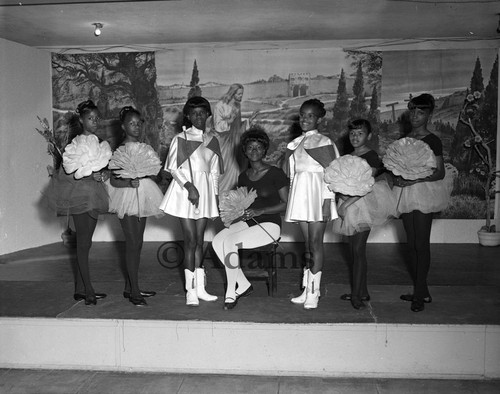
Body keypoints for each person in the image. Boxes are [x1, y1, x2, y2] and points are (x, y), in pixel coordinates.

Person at [212, 126, 289, 310]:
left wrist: (261, 211)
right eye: (250, 148)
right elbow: (244, 203)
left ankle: (231, 291)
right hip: (249, 223)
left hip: (270, 226)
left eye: (258, 147)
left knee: (231, 242)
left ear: (265, 150)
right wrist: (238, 211)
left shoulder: (276, 173)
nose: (254, 151)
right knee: (217, 241)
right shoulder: (243, 176)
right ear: (244, 151)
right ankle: (244, 284)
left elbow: (286, 204)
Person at [159, 96, 223, 306]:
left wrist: (213, 198)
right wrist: (189, 187)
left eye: (202, 113)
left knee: (200, 241)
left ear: (208, 115)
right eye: (194, 113)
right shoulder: (181, 138)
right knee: (190, 240)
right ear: (188, 115)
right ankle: (190, 291)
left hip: (204, 193)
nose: (199, 117)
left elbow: (214, 173)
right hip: (185, 192)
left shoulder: (212, 141)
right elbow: (173, 169)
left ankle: (201, 287)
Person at [45, 100, 110, 305]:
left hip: (95, 193)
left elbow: (104, 168)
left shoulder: (99, 142)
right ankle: (88, 289)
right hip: (80, 195)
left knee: (86, 242)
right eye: (90, 118)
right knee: (83, 243)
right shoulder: (75, 146)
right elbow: (69, 172)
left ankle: (80, 289)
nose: (95, 122)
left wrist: (102, 175)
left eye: (97, 118)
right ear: (81, 120)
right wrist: (87, 174)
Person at [392, 93, 447, 312]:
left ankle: (420, 293)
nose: (415, 116)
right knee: (411, 243)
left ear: (429, 115)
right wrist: (397, 177)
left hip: (424, 192)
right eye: (413, 111)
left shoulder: (433, 140)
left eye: (421, 112)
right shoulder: (403, 140)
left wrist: (415, 178)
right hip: (405, 194)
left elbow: (440, 173)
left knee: (421, 244)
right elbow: (396, 168)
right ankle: (421, 292)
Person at [332, 119, 396, 309]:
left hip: (363, 205)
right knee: (354, 251)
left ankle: (356, 295)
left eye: (360, 133)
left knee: (358, 251)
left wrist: (345, 205)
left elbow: (367, 186)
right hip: (348, 204)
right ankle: (362, 291)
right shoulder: (347, 156)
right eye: (352, 133)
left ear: (368, 136)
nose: (355, 137)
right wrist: (341, 198)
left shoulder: (371, 155)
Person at [285, 99, 340, 310]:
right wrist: (292, 199)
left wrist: (328, 201)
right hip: (301, 197)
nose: (304, 119)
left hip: (319, 196)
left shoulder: (324, 142)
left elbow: (331, 174)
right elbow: (293, 175)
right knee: (307, 245)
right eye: (302, 115)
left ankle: (314, 292)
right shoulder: (296, 143)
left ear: (319, 119)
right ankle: (306, 288)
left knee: (316, 243)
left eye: (310, 116)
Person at [107, 106, 164, 306]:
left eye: (139, 123)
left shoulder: (144, 148)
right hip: (126, 196)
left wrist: (146, 174)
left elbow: (152, 170)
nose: (136, 127)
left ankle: (130, 287)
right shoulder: (120, 151)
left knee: (138, 243)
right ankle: (135, 291)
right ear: (123, 126)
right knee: (132, 243)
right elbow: (114, 182)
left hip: (144, 193)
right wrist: (128, 183)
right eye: (132, 123)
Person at [209, 83, 257, 193]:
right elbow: (217, 125)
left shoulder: (236, 106)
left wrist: (249, 121)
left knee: (235, 169)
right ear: (233, 93)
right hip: (223, 142)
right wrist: (229, 121)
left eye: (242, 94)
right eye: (239, 94)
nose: (241, 96)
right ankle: (219, 193)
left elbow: (238, 127)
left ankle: (231, 195)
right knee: (223, 169)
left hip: (234, 142)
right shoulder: (220, 105)